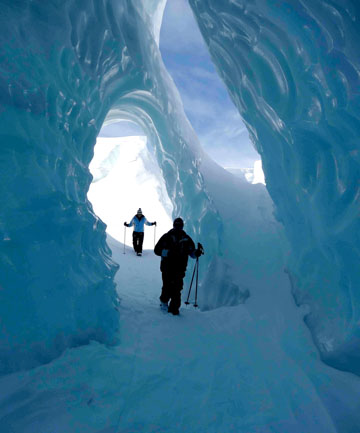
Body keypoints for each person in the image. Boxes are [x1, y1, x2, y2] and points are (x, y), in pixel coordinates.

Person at [154, 217, 202, 315]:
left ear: (182, 226)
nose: (178, 227)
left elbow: (191, 252)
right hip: (167, 267)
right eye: (176, 225)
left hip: (180, 268)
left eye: (180, 225)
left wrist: (196, 252)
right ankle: (164, 302)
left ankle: (174, 309)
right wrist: (168, 253)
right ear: (174, 225)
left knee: (177, 288)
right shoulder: (166, 237)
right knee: (167, 286)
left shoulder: (186, 239)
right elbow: (157, 250)